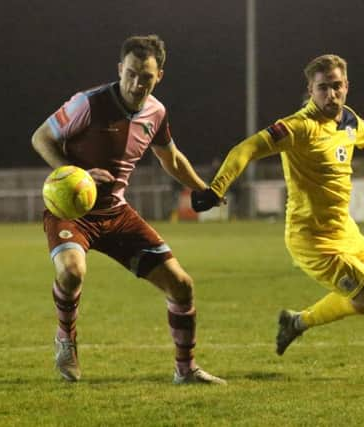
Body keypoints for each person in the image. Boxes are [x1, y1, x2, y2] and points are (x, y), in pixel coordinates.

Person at [191, 54, 364, 377]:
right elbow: (248, 148)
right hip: (313, 241)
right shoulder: (298, 127)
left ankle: (296, 322)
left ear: (346, 87)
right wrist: (216, 189)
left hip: (345, 231)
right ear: (310, 90)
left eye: (337, 86)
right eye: (323, 88)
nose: (331, 94)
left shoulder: (348, 120)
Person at [31, 35, 225, 385]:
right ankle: (65, 339)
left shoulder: (156, 112)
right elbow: (41, 137)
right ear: (120, 69)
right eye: (131, 74)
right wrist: (77, 174)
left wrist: (202, 187)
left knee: (181, 285)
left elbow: (172, 158)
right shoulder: (88, 104)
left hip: (116, 214)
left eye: (146, 77)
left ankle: (186, 370)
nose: (137, 84)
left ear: (159, 76)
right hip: (71, 211)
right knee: (72, 272)